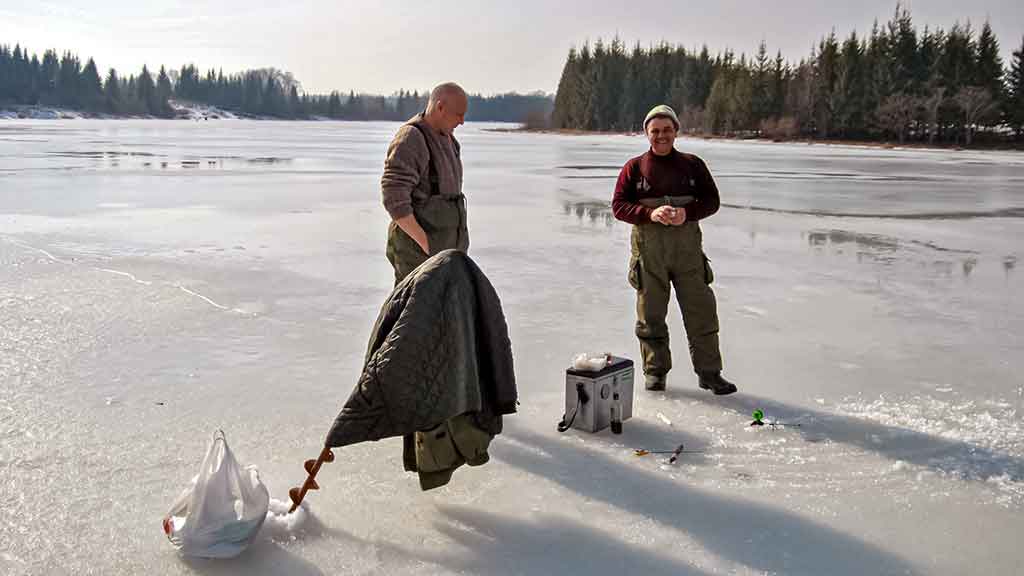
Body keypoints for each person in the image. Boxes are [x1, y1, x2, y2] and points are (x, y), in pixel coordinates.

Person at [611, 104, 737, 395]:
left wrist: (687, 213)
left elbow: (712, 201)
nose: (661, 136)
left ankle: (710, 373)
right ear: (646, 133)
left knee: (702, 313)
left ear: (676, 131)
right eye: (655, 131)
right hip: (649, 255)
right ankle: (655, 373)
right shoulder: (635, 167)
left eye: (667, 130)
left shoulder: (693, 164)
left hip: (688, 255)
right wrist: (649, 214)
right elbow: (618, 206)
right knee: (650, 316)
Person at [381, 82, 469, 284]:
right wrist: (426, 245)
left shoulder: (449, 139)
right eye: (458, 114)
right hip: (418, 258)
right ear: (440, 107)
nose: (462, 121)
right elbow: (393, 198)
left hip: (446, 256)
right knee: (413, 314)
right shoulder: (411, 138)